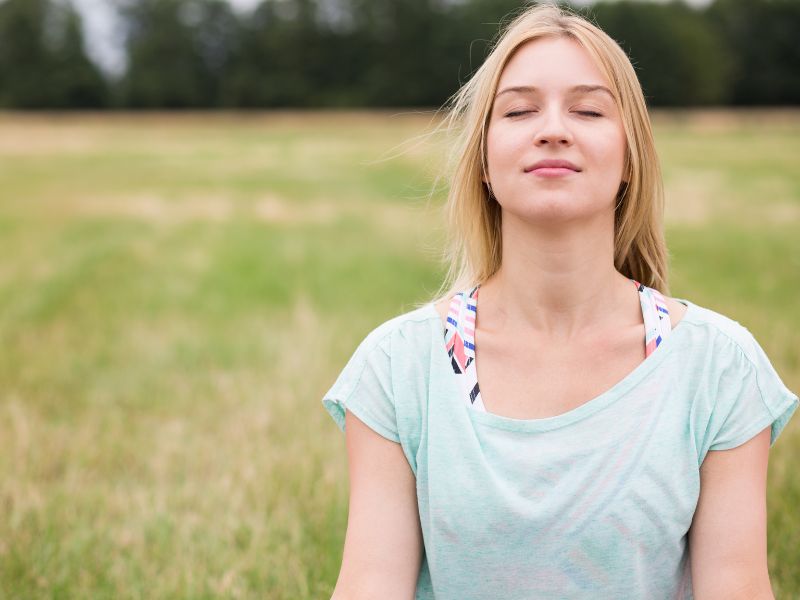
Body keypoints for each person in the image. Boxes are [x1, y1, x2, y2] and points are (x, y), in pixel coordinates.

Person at [321, 3, 798, 598]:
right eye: (519, 110)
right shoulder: (396, 367)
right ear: (485, 164)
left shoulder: (720, 368)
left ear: (630, 158)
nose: (553, 128)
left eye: (589, 109)